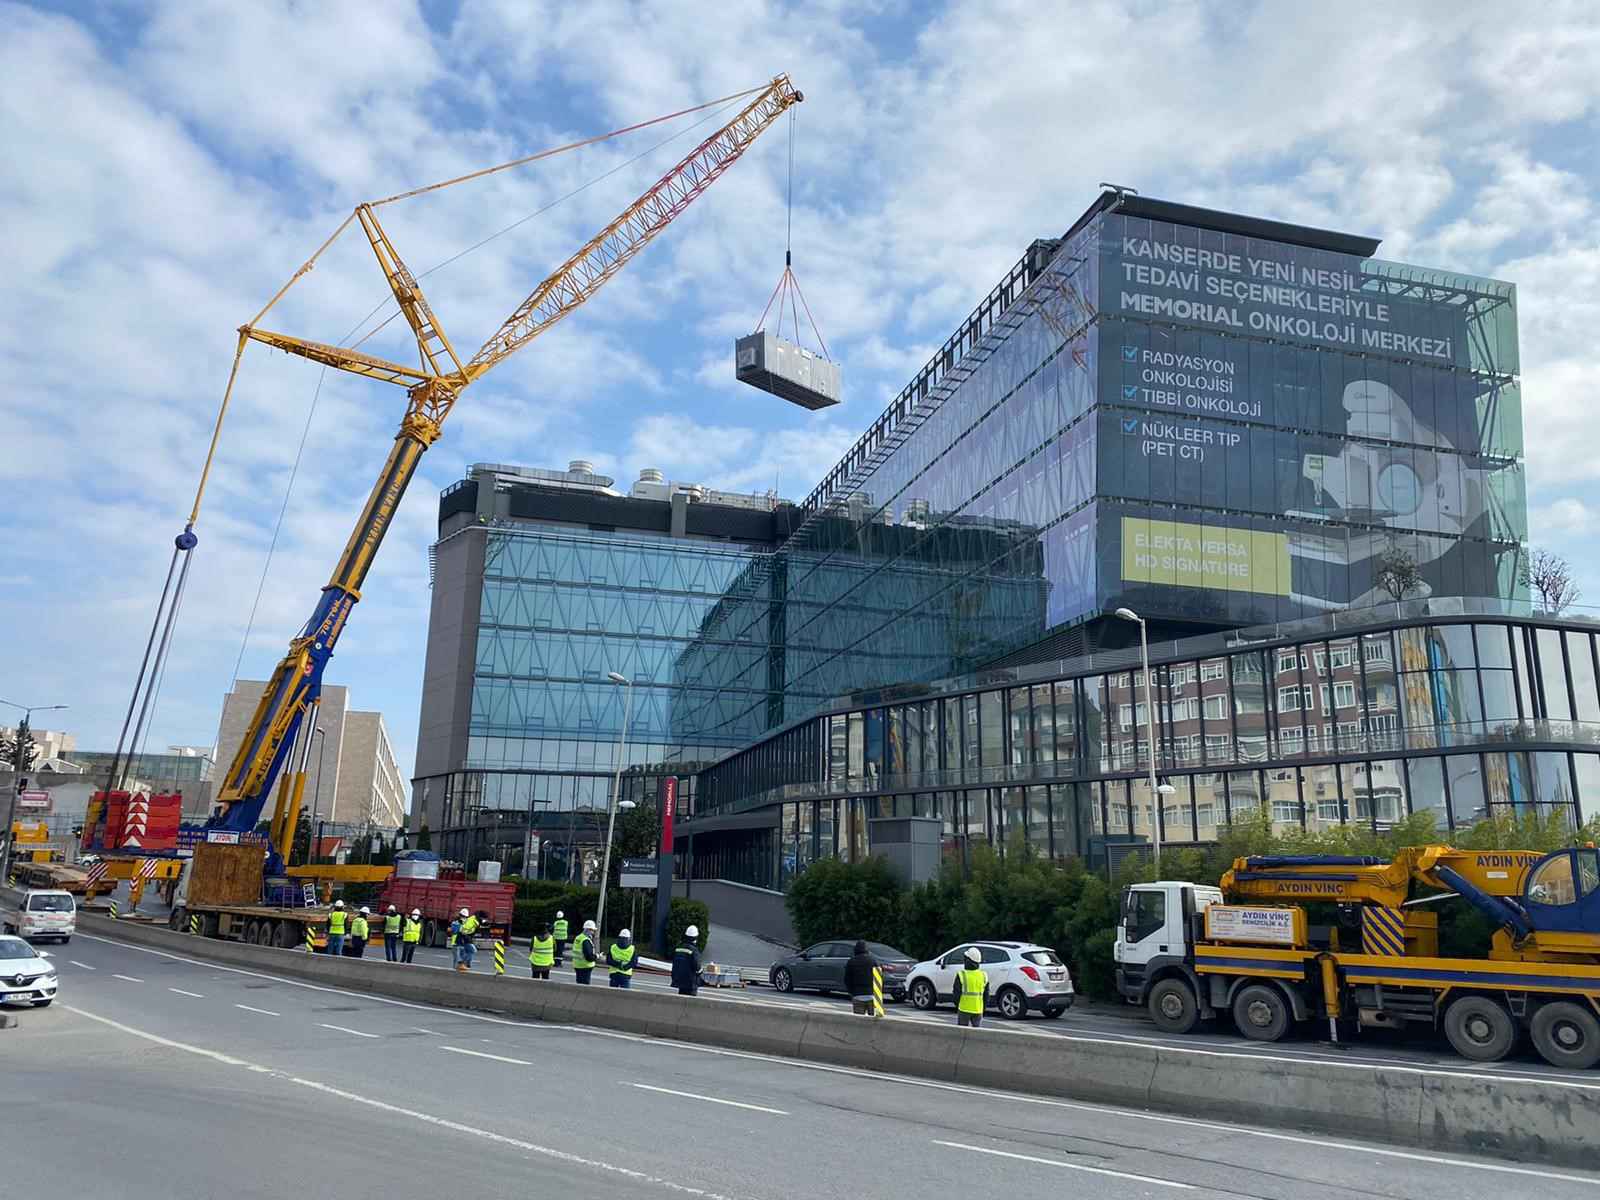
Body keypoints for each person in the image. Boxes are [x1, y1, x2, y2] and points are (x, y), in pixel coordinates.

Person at [953, 946, 988, 1028]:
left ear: (968, 960)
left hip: (963, 1009)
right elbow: (986, 996)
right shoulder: (983, 975)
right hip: (978, 1010)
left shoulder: (961, 974)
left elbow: (956, 994)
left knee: (961, 1035)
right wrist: (983, 1008)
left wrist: (958, 1005)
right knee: (976, 1035)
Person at [845, 939, 880, 1017]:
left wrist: (851, 992)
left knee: (859, 1023)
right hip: (872, 996)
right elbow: (879, 979)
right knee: (874, 1022)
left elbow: (847, 980)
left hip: (857, 995)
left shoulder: (851, 961)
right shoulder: (873, 961)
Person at [671, 925, 701, 996]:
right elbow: (697, 967)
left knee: (681, 1001)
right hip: (690, 983)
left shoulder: (678, 948)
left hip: (679, 980)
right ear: (695, 938)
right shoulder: (693, 950)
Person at [571, 919, 598, 985]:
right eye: (592, 930)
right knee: (585, 986)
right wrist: (597, 956)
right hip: (585, 966)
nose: (593, 932)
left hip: (577, 965)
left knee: (579, 984)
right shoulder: (585, 940)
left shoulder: (578, 937)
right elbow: (589, 957)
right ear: (588, 930)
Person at [454, 907, 480, 972]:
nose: (464, 917)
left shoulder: (464, 921)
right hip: (462, 939)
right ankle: (463, 964)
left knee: (467, 951)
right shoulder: (462, 922)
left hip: (462, 939)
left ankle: (465, 964)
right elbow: (463, 931)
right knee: (470, 951)